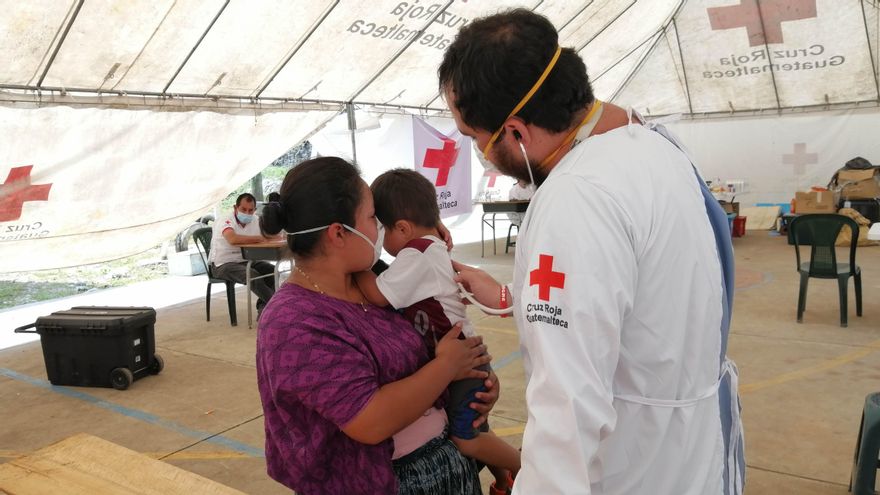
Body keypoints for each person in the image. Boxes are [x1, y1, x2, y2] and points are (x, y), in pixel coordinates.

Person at [438, 8, 743, 495]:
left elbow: (567, 412)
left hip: (635, 467)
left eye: (475, 137)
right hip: (691, 448)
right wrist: (512, 294)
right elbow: (636, 289)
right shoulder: (649, 143)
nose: (477, 149)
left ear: (515, 132)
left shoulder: (575, 197)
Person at [256, 157, 499, 494]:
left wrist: (475, 385)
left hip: (446, 465)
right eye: (372, 218)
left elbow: (428, 340)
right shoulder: (295, 320)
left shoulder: (374, 278)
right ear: (338, 233)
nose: (380, 228)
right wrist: (447, 367)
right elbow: (371, 421)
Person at [356, 168, 520, 494]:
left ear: (401, 227)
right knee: (476, 424)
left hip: (462, 360)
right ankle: (504, 481)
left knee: (467, 437)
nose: (377, 238)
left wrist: (359, 263)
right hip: (464, 357)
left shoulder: (416, 254)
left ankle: (529, 467)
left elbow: (377, 294)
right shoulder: (427, 247)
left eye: (380, 228)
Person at [209, 193, 278, 316]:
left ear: (255, 210)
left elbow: (270, 234)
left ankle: (264, 309)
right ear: (235, 208)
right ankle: (278, 307)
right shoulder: (225, 220)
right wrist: (261, 238)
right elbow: (233, 239)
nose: (247, 213)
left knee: (272, 270)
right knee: (252, 275)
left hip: (246, 260)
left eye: (250, 210)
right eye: (243, 209)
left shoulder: (255, 220)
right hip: (222, 264)